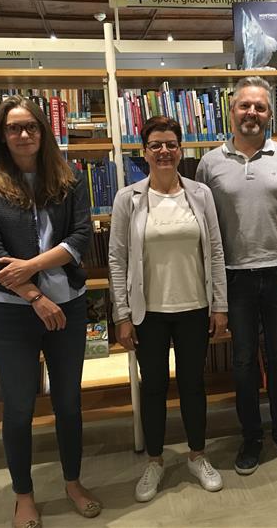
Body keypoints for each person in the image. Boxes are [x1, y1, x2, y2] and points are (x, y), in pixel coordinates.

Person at [0, 95, 101, 528]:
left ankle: (73, 481)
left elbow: (82, 234)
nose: (23, 134)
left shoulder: (69, 178)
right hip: (12, 311)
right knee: (20, 406)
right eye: (13, 128)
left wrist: (35, 267)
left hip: (68, 306)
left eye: (31, 127)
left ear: (43, 132)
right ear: (1, 135)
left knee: (68, 401)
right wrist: (34, 295)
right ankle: (23, 495)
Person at [195, 76, 277, 475]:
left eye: (260, 107)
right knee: (245, 360)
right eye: (244, 106)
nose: (252, 113)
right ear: (231, 111)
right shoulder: (209, 163)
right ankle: (252, 437)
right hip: (234, 277)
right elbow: (202, 225)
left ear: (270, 113)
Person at [109, 116, 228, 502]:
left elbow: (215, 251)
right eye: (156, 144)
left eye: (171, 144)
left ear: (181, 150)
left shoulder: (200, 194)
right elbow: (117, 259)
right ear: (144, 151)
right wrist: (122, 315)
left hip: (194, 307)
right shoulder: (128, 199)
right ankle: (156, 461)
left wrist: (220, 306)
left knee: (194, 385)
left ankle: (197, 455)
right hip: (149, 313)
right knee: (154, 387)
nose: (164, 151)